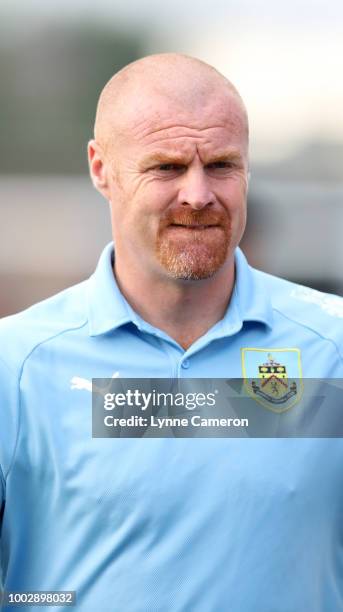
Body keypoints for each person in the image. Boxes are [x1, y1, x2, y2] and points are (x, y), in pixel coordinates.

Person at [0, 53, 343, 612]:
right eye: (167, 167)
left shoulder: (331, 352)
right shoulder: (15, 365)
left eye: (223, 165)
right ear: (100, 167)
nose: (198, 194)